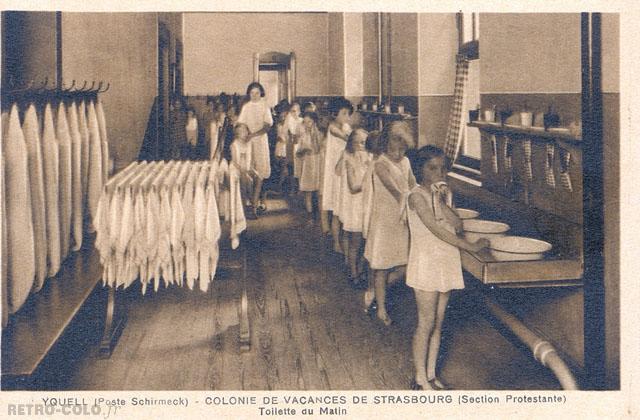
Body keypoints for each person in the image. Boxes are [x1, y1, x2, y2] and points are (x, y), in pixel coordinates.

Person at [406, 146, 489, 390]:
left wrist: (441, 200)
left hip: (444, 261)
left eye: (442, 168)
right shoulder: (415, 196)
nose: (439, 173)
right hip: (426, 264)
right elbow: (436, 229)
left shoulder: (441, 194)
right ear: (419, 170)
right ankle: (420, 378)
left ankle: (431, 374)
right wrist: (471, 247)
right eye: (432, 168)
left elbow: (456, 223)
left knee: (439, 323)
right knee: (426, 323)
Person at [363, 121, 416, 327]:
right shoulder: (380, 164)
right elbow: (397, 192)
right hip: (384, 222)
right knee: (382, 267)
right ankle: (382, 309)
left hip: (401, 222)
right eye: (396, 149)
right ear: (385, 145)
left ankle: (373, 292)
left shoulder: (406, 162)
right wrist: (413, 198)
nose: (399, 154)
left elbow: (413, 185)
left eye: (403, 149)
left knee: (404, 266)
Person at [337, 128, 372, 288]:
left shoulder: (370, 158)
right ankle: (353, 272)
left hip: (368, 205)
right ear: (353, 143)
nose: (363, 145)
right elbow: (353, 187)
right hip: (356, 206)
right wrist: (369, 175)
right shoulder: (349, 160)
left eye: (365, 142)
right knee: (356, 243)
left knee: (367, 243)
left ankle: (360, 268)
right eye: (360, 142)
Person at [320, 97, 353, 251]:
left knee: (343, 207)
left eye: (348, 114)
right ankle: (336, 242)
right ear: (335, 114)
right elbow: (345, 137)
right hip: (334, 172)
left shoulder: (346, 126)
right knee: (335, 208)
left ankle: (345, 240)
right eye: (344, 113)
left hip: (344, 170)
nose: (347, 117)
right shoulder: (333, 127)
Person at [237, 82, 273, 214]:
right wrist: (245, 135)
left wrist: (254, 134)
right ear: (249, 94)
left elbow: (267, 126)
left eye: (257, 93)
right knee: (249, 172)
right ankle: (252, 201)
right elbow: (241, 124)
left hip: (260, 141)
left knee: (261, 173)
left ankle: (255, 204)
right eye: (252, 93)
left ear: (261, 93)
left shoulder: (264, 106)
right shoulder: (246, 107)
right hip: (248, 142)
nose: (254, 95)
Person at [297, 111, 323, 214]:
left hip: (318, 163)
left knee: (318, 190)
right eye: (305, 122)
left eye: (309, 122)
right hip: (308, 163)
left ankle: (320, 215)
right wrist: (303, 150)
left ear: (314, 122)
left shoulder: (320, 135)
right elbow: (298, 153)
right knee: (308, 191)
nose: (307, 124)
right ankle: (310, 214)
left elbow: (322, 149)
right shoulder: (303, 136)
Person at [230, 123, 258, 213]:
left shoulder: (250, 143)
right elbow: (235, 162)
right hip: (236, 168)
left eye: (246, 130)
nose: (245, 133)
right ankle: (247, 206)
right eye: (242, 131)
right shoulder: (234, 145)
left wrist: (251, 168)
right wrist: (244, 171)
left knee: (258, 177)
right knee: (245, 179)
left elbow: (253, 159)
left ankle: (251, 203)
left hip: (248, 168)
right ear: (237, 133)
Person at [285, 102, 303, 193]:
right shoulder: (289, 121)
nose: (294, 113)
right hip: (291, 146)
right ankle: (292, 188)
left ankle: (300, 188)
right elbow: (285, 133)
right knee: (291, 167)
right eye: (292, 111)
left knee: (300, 168)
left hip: (300, 145)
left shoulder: (302, 121)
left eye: (295, 111)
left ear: (299, 111)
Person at [274, 102, 290, 194]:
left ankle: (280, 186)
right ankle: (280, 185)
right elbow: (277, 135)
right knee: (280, 166)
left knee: (284, 166)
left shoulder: (288, 123)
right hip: (279, 146)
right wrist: (279, 138)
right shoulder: (278, 123)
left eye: (284, 113)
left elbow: (288, 136)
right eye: (281, 113)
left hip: (286, 146)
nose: (283, 115)